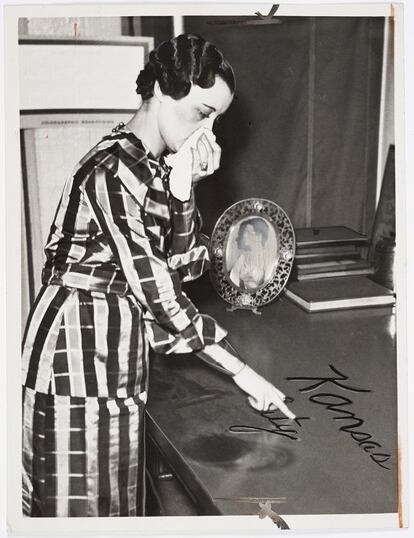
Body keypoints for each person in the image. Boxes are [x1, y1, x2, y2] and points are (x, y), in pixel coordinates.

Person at [21, 33, 294, 518]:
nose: (207, 134)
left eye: (216, 121)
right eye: (202, 113)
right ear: (162, 92)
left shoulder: (151, 169)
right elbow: (161, 295)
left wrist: (185, 191)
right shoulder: (112, 170)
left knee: (116, 508)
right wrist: (243, 372)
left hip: (116, 350)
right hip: (74, 353)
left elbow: (186, 269)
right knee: (78, 512)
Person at [228, 218, 276, 290]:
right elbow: (233, 278)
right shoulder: (243, 257)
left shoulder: (269, 261)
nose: (245, 236)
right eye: (245, 232)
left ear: (260, 237)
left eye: (250, 233)